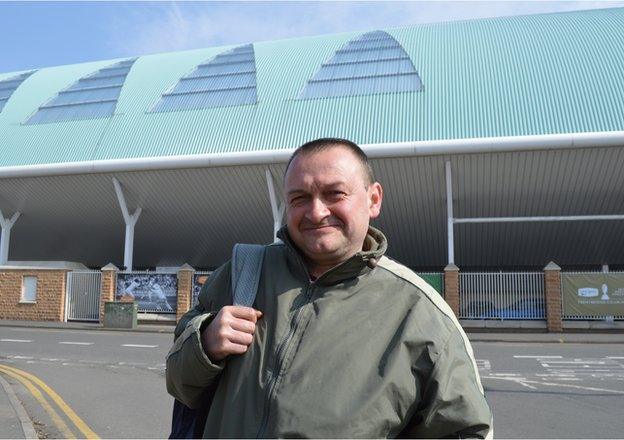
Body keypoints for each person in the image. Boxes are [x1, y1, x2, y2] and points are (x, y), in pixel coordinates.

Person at [166, 138, 493, 438]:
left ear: (373, 199)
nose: (316, 212)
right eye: (299, 198)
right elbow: (180, 383)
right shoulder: (243, 273)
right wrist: (205, 343)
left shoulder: (419, 312)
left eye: (334, 194)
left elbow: (464, 430)